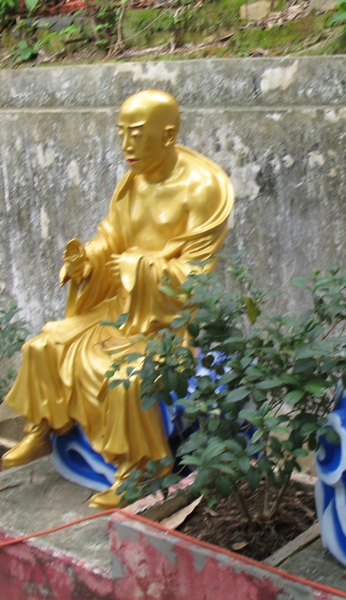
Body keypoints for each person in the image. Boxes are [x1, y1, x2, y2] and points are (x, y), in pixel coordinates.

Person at [1, 90, 234, 508]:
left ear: (168, 134)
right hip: (121, 307)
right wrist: (87, 262)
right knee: (44, 344)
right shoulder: (133, 178)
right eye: (122, 134)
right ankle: (40, 430)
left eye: (137, 135)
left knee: (128, 379)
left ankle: (142, 469)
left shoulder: (203, 189)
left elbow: (199, 277)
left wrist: (141, 269)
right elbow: (111, 239)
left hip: (166, 320)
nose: (126, 146)